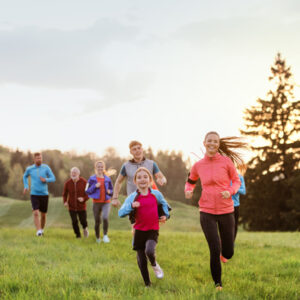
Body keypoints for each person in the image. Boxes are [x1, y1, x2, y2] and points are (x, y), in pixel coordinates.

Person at [185, 132, 247, 290]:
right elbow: (190, 181)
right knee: (214, 248)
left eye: (215, 141)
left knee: (228, 252)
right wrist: (188, 190)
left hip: (226, 211)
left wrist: (231, 191)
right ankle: (218, 283)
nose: (212, 143)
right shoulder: (198, 165)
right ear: (204, 142)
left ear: (218, 144)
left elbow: (237, 181)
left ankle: (224, 252)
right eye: (209, 141)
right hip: (206, 211)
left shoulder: (226, 162)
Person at [118, 167, 170, 287]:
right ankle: (147, 284)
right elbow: (120, 213)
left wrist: (165, 216)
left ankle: (154, 264)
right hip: (138, 231)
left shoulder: (156, 194)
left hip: (152, 229)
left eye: (145, 177)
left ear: (150, 180)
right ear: (135, 181)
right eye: (139, 177)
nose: (142, 179)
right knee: (141, 259)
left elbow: (164, 204)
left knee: (150, 251)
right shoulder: (132, 197)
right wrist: (131, 206)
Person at [111, 141, 167, 207]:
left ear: (142, 149)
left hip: (149, 201)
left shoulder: (151, 164)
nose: (137, 151)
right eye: (134, 149)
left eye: (139, 148)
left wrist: (163, 181)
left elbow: (163, 178)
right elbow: (118, 182)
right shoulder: (126, 166)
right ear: (130, 152)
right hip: (133, 202)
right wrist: (115, 198)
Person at [23, 152, 56, 236]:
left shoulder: (46, 168)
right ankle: (38, 231)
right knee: (36, 213)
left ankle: (41, 229)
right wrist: (26, 186)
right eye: (37, 158)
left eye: (40, 158)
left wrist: (46, 180)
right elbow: (25, 176)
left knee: (43, 215)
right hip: (34, 194)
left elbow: (53, 178)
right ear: (34, 159)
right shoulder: (30, 169)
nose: (39, 159)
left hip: (44, 194)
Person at [86, 161, 115, 243]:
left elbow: (112, 190)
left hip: (106, 202)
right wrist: (95, 186)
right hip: (96, 202)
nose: (100, 168)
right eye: (98, 167)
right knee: (97, 220)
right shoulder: (91, 179)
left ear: (104, 168)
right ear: (95, 168)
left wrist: (110, 192)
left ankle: (105, 236)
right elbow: (87, 190)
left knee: (105, 217)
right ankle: (98, 237)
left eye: (101, 167)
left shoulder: (107, 179)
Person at [63, 167, 89, 238]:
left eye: (75, 173)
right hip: (71, 207)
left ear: (78, 174)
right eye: (72, 173)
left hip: (81, 206)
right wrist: (65, 201)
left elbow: (88, 193)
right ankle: (78, 235)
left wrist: (83, 198)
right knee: (74, 221)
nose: (73, 174)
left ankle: (85, 228)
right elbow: (65, 194)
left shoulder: (84, 182)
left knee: (83, 221)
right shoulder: (67, 183)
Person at [232, 166, 246, 241]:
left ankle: (232, 242)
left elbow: (243, 191)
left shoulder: (239, 177)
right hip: (224, 205)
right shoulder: (224, 177)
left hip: (235, 205)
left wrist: (233, 189)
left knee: (234, 225)